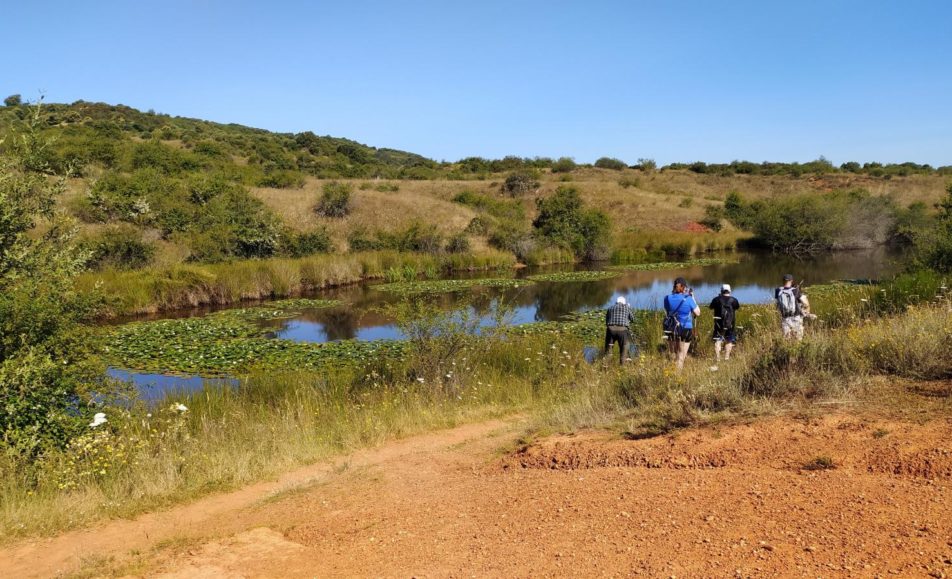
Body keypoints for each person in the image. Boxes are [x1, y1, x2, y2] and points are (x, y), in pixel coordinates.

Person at [663, 277, 701, 370]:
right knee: (681, 355)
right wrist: (692, 297)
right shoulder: (688, 299)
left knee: (673, 353)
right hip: (686, 328)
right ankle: (678, 375)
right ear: (684, 287)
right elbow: (697, 313)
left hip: (672, 327)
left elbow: (668, 311)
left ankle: (672, 372)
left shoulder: (667, 298)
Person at [709, 283, 740, 365]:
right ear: (730, 291)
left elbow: (710, 307)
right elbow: (737, 307)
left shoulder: (716, 299)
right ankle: (726, 358)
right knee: (729, 341)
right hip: (730, 324)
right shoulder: (734, 300)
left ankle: (718, 359)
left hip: (718, 324)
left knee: (717, 341)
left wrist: (719, 297)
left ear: (721, 291)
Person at [775, 274, 809, 340]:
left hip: (785, 318)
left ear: (783, 281)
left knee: (787, 339)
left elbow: (778, 303)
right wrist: (805, 311)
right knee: (798, 339)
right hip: (796, 317)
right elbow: (805, 303)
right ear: (792, 281)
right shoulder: (795, 290)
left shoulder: (778, 290)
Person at [604, 296, 635, 365]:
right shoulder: (627, 307)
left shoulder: (610, 308)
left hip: (610, 330)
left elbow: (606, 321)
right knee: (624, 348)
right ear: (624, 303)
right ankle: (623, 366)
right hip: (622, 330)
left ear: (616, 302)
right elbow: (633, 319)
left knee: (608, 349)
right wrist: (629, 308)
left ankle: (606, 366)